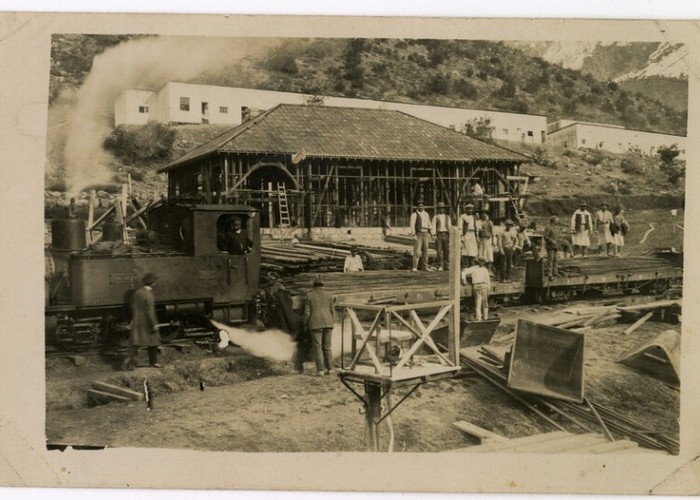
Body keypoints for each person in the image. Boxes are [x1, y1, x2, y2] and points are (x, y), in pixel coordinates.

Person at [123, 272, 161, 370]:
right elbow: (150, 311)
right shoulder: (149, 295)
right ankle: (153, 362)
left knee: (136, 342)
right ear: (153, 283)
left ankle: (130, 363)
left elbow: (133, 306)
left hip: (137, 320)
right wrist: (154, 324)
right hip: (147, 322)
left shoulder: (138, 292)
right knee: (153, 341)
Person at [304, 275, 336, 376]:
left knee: (317, 347)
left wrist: (305, 323)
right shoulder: (329, 295)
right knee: (327, 347)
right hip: (329, 323)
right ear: (323, 285)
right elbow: (332, 310)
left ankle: (320, 370)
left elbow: (307, 312)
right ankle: (330, 369)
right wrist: (332, 321)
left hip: (315, 323)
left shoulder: (309, 295)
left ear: (313, 285)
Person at [409, 200, 432, 272]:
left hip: (426, 233)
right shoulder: (414, 214)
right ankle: (415, 266)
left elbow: (429, 224)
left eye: (422, 205)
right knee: (417, 251)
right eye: (419, 205)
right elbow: (412, 224)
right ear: (417, 206)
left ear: (424, 206)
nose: (421, 207)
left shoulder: (426, 214)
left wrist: (431, 233)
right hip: (418, 233)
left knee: (425, 250)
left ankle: (425, 266)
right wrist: (413, 234)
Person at [431, 201, 452, 271]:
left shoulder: (447, 217)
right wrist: (434, 235)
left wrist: (450, 235)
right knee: (439, 251)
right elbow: (433, 226)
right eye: (440, 208)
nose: (441, 209)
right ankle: (440, 265)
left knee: (447, 251)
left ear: (444, 209)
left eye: (442, 208)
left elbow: (449, 226)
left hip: (446, 234)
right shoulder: (435, 217)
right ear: (438, 209)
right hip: (439, 234)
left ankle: (447, 265)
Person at [458, 203, 479, 268]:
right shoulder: (462, 216)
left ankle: (472, 264)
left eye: (471, 209)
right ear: (466, 210)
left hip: (472, 234)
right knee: (465, 249)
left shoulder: (473, 217)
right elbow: (460, 227)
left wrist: (477, 236)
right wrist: (461, 236)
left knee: (472, 250)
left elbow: (476, 227)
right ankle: (465, 265)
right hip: (466, 234)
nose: (470, 211)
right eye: (468, 209)